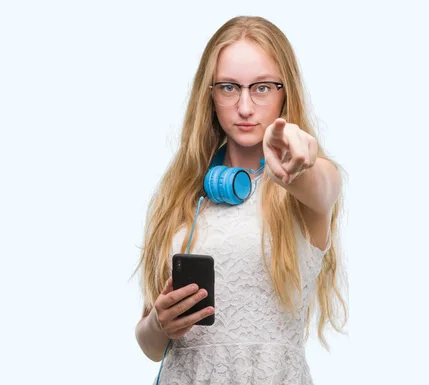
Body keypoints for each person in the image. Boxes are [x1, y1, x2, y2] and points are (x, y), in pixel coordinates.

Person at [133, 15, 348, 385]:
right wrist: (159, 324)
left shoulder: (305, 185)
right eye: (229, 87)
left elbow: (325, 185)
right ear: (211, 94)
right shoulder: (182, 196)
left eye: (262, 87)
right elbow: (150, 345)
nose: (245, 107)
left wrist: (302, 162)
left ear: (285, 92)